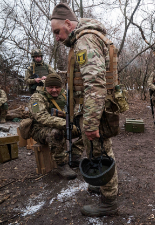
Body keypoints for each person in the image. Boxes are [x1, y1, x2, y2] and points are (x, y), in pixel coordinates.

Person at [51, 3, 118, 216]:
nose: (57, 37)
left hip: (95, 111)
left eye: (57, 31)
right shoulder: (84, 39)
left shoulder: (85, 41)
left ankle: (109, 203)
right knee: (95, 150)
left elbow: (95, 84)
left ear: (68, 24)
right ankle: (100, 183)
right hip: (94, 109)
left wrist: (90, 124)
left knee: (101, 151)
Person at [28, 73, 77, 179]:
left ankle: (75, 155)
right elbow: (41, 117)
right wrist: (66, 124)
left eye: (57, 87)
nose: (54, 90)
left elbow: (74, 110)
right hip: (39, 129)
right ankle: (61, 165)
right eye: (51, 87)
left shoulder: (64, 95)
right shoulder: (36, 98)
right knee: (56, 133)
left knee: (84, 127)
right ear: (46, 87)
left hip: (61, 125)